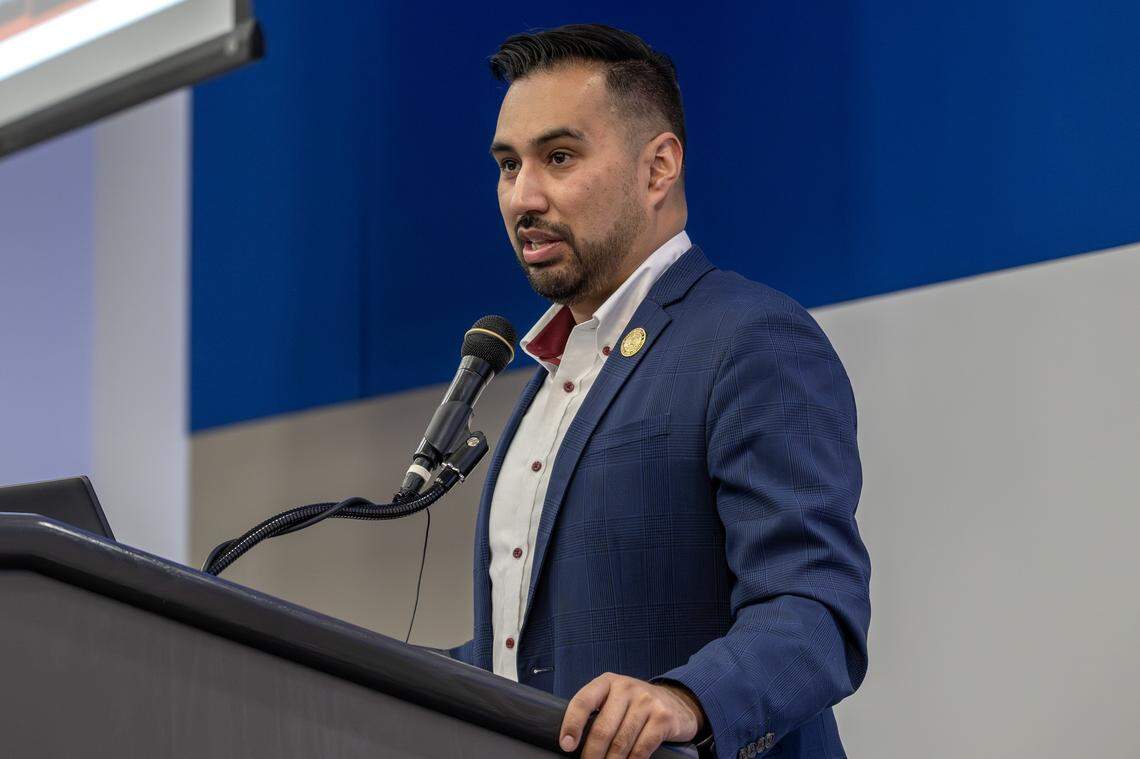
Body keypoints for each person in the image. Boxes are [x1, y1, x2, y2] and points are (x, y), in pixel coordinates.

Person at [447, 24, 871, 759]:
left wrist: (684, 698)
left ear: (658, 168)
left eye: (559, 157)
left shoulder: (749, 339)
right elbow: (535, 655)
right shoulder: (546, 378)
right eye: (508, 164)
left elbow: (815, 612)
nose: (523, 195)